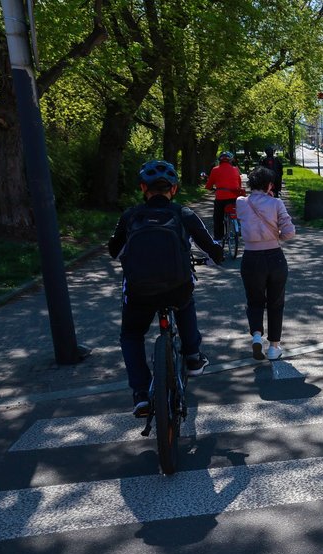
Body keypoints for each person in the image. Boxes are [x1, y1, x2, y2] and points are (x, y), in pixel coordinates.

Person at [108, 160, 224, 416]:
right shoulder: (184, 214)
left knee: (131, 335)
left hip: (139, 292)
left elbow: (114, 252)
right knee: (185, 300)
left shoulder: (130, 216)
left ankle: (140, 393)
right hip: (176, 288)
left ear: (142, 188)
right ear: (174, 189)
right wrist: (218, 256)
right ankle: (193, 356)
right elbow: (211, 247)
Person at [235, 167, 296, 360]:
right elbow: (289, 232)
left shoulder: (241, 203)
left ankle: (256, 336)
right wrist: (276, 234)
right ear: (269, 184)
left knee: (254, 300)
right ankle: (274, 347)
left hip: (251, 257)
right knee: (276, 303)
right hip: (274, 257)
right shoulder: (276, 203)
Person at [205, 151, 242, 241]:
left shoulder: (215, 170)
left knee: (218, 218)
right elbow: (239, 185)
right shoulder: (235, 169)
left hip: (220, 198)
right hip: (233, 197)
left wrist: (210, 188)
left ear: (219, 160)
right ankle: (239, 227)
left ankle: (218, 238)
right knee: (236, 212)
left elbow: (209, 185)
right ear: (231, 160)